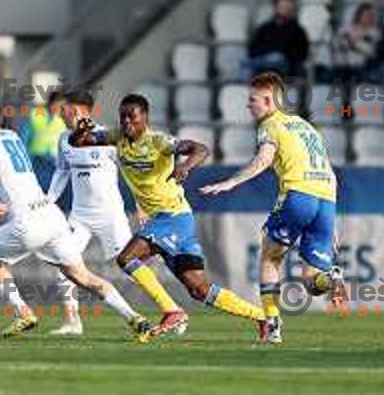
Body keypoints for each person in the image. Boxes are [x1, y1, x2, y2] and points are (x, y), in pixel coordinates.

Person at [0, 100, 152, 340]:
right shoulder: (11, 136)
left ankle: (22, 312)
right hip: (51, 216)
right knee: (82, 276)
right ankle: (134, 317)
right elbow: (3, 175)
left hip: (27, 221)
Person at [70, 93, 268, 339]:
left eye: (132, 117)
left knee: (126, 258)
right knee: (199, 289)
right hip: (172, 219)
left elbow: (200, 149)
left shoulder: (159, 142)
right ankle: (262, 317)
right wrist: (79, 131)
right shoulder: (117, 137)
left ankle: (172, 311)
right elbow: (78, 142)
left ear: (145, 118)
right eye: (123, 117)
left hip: (171, 216)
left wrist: (184, 167)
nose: (127, 122)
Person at [200, 72, 346, 344]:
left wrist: (232, 182)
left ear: (268, 101)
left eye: (253, 100)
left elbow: (263, 159)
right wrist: (332, 222)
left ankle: (273, 325)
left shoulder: (270, 124)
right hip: (326, 199)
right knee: (312, 282)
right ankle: (332, 277)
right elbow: (331, 172)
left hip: (298, 194)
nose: (249, 105)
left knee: (270, 257)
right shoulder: (306, 126)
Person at [46, 89, 135, 335]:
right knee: (64, 264)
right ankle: (73, 322)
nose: (59, 114)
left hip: (111, 215)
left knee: (132, 267)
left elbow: (129, 172)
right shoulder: (64, 138)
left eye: (63, 109)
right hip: (80, 217)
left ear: (74, 110)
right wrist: (48, 201)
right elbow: (62, 171)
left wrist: (141, 206)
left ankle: (171, 311)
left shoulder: (106, 137)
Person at [243, 0, 309, 79]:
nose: (285, 10)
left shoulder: (298, 31)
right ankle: (242, 88)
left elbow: (302, 54)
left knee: (277, 57)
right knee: (244, 64)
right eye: (282, 7)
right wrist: (267, 53)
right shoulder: (264, 28)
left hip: (285, 64)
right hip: (263, 60)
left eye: (287, 8)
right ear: (276, 8)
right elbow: (252, 49)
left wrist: (282, 53)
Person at [333, 2, 381, 83]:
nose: (366, 18)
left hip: (362, 68)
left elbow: (371, 51)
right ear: (359, 15)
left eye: (369, 16)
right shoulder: (347, 28)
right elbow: (337, 42)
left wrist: (353, 43)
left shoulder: (375, 33)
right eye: (364, 15)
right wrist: (352, 42)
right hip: (342, 66)